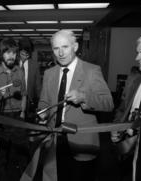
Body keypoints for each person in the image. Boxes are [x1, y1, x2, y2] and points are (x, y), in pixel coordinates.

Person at [38, 30, 114, 181]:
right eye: (56, 48)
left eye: (65, 47)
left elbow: (108, 103)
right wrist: (43, 112)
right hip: (55, 140)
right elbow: (44, 102)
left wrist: (84, 97)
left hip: (82, 142)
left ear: (75, 46)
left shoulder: (92, 70)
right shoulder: (49, 74)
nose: (60, 53)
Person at [0, 38, 28, 181]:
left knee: (22, 160)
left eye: (14, 53)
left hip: (17, 120)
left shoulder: (19, 72)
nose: (11, 56)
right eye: (7, 52)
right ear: (1, 53)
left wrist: (22, 113)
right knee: (0, 161)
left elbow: (24, 94)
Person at [111, 34, 141, 181]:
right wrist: (116, 127)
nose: (137, 58)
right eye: (137, 52)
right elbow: (122, 109)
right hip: (127, 149)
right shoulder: (135, 78)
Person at [18, 37, 42, 122]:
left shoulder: (34, 65)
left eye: (27, 55)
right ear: (18, 51)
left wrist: (40, 103)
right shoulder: (13, 64)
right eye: (22, 54)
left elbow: (38, 86)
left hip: (29, 102)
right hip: (15, 101)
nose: (24, 57)